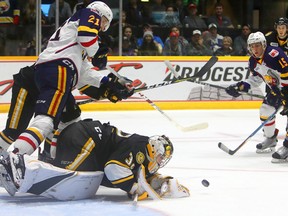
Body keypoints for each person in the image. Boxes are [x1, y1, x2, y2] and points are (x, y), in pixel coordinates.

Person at [0, 2, 121, 158]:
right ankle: (17, 159)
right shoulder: (91, 13)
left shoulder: (74, 40)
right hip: (57, 70)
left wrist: (108, 80)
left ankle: (48, 157)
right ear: (100, 14)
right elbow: (87, 39)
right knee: (45, 121)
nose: (103, 27)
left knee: (71, 116)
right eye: (104, 22)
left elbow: (84, 72)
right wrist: (97, 51)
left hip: (50, 71)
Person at [0, 119, 189, 201]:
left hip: (84, 139)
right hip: (85, 138)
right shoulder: (140, 147)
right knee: (71, 178)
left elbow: (138, 174)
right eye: (160, 156)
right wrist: (134, 188)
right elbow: (114, 169)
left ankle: (23, 168)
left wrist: (160, 182)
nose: (160, 160)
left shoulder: (143, 154)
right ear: (154, 148)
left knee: (79, 179)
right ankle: (21, 165)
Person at [225, 31, 288, 155]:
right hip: (278, 91)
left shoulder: (274, 54)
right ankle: (270, 139)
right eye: (252, 46)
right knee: (265, 110)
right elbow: (257, 78)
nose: (255, 49)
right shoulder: (253, 62)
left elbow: (287, 70)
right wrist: (241, 86)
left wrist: (285, 90)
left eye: (258, 45)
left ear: (264, 44)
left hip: (285, 88)